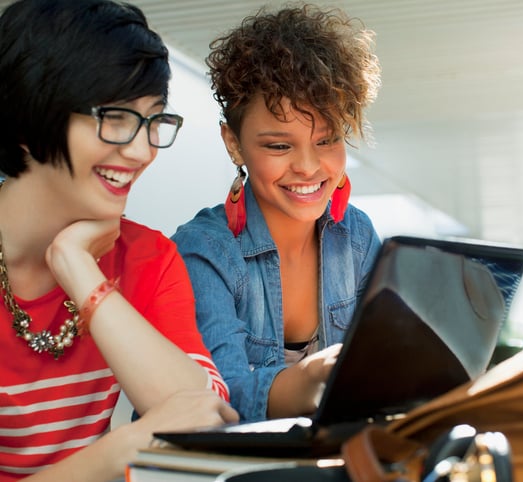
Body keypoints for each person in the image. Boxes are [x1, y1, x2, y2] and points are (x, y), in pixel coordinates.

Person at [0, 0, 239, 480]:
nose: (141, 149)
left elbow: (204, 423)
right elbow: (158, 437)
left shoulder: (147, 257)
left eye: (153, 120)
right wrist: (121, 449)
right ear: (29, 119)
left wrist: (78, 269)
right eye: (115, 117)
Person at [171, 3, 382, 422]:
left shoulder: (356, 236)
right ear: (234, 144)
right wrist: (309, 381)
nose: (307, 167)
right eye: (279, 146)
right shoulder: (202, 251)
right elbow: (216, 405)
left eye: (326, 140)